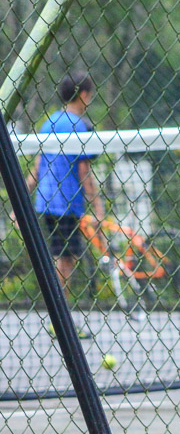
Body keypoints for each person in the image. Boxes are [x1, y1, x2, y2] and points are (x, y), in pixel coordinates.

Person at [22, 72, 106, 336]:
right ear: (83, 96)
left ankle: (60, 318)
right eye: (90, 94)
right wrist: (98, 207)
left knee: (64, 256)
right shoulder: (80, 127)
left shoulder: (50, 122)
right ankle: (60, 321)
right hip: (65, 204)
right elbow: (84, 173)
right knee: (65, 260)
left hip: (45, 201)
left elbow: (38, 165)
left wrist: (21, 198)